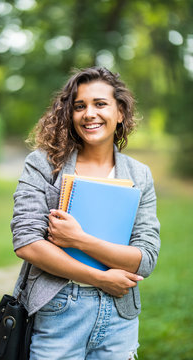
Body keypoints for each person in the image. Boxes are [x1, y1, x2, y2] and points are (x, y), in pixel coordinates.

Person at [11, 67, 160, 360]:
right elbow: (27, 242)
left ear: (120, 112)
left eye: (100, 104)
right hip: (58, 308)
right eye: (80, 106)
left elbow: (145, 259)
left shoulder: (139, 175)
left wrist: (79, 240)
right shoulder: (43, 164)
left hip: (119, 316)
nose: (89, 113)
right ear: (70, 114)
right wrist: (100, 278)